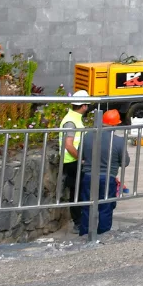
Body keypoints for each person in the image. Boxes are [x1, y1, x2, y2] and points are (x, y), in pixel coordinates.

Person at [77, 109, 130, 236]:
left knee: (87, 207)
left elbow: (80, 155)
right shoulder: (118, 141)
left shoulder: (88, 136)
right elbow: (125, 162)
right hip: (107, 178)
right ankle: (104, 235)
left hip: (88, 177)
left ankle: (84, 234)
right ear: (115, 125)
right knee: (106, 208)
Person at [59, 90, 91, 227]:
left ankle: (80, 220)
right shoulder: (71, 121)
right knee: (77, 192)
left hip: (73, 160)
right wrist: (80, 159)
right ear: (83, 106)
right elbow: (68, 144)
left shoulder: (73, 118)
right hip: (72, 161)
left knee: (78, 191)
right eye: (87, 105)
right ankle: (78, 222)